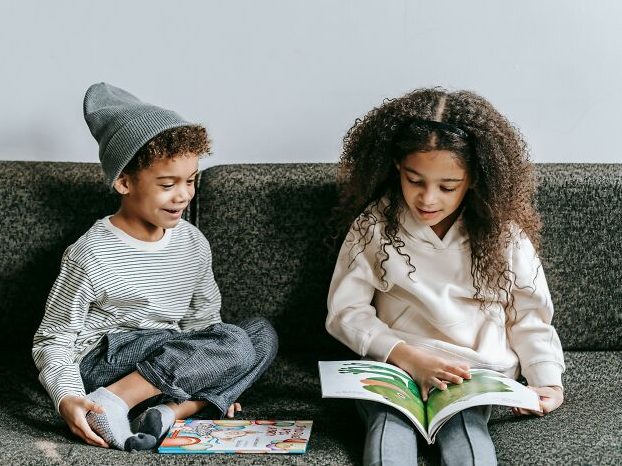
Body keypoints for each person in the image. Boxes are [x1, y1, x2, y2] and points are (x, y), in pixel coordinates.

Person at [32, 82, 278, 451]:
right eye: (168, 184)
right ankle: (114, 400)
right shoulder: (91, 253)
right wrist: (66, 397)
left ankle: (169, 411)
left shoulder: (194, 243)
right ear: (124, 181)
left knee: (260, 334)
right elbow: (53, 338)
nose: (183, 195)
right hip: (106, 360)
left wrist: (218, 365)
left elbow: (204, 325)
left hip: (167, 362)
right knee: (233, 345)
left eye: (191, 181)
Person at [326, 88, 565, 466]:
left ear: (472, 179)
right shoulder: (375, 225)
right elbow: (345, 312)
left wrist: (546, 378)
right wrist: (406, 356)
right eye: (414, 180)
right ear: (396, 168)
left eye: (447, 187)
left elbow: (529, 316)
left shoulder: (503, 235)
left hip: (470, 372)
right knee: (388, 429)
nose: (428, 199)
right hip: (395, 363)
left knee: (467, 432)